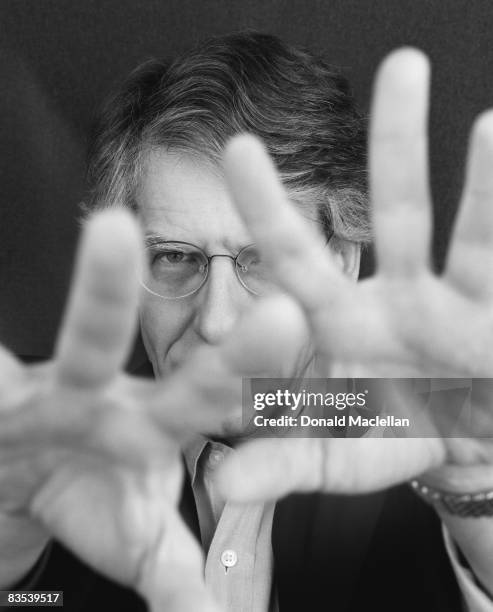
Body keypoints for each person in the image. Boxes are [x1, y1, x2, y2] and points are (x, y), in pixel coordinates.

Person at [1, 30, 493, 612]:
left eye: (261, 261)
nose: (216, 322)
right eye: (176, 257)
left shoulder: (448, 435)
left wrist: (472, 497)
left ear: (341, 262)